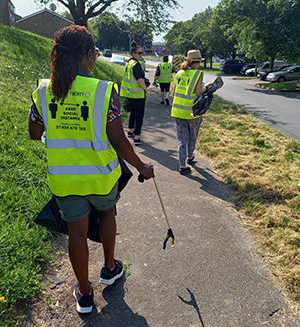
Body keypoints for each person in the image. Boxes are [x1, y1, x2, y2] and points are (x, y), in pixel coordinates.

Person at [28, 25, 154, 314]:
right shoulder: (102, 92)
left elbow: (36, 133)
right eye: (94, 53)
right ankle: (109, 268)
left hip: (64, 181)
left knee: (77, 233)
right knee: (107, 213)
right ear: (87, 56)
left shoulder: (43, 91)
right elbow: (119, 141)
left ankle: (84, 293)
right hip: (101, 177)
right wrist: (142, 166)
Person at [171, 49, 213, 175]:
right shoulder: (198, 74)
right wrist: (208, 87)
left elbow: (174, 91)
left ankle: (182, 165)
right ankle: (190, 156)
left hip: (178, 111)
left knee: (181, 139)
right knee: (192, 136)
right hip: (192, 112)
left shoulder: (179, 73)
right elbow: (199, 93)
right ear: (198, 62)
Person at [120, 41, 148, 146]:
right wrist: (146, 89)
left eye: (142, 53)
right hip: (138, 95)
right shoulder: (136, 65)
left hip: (130, 93)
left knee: (132, 113)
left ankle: (131, 130)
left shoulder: (129, 63)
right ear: (133, 54)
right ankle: (137, 137)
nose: (141, 55)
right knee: (139, 116)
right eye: (139, 53)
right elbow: (140, 80)